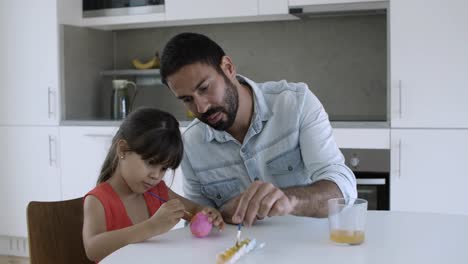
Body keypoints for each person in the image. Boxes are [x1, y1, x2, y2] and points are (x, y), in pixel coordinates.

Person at [160, 32, 357, 227]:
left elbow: (343, 188)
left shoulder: (296, 104)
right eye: (187, 100)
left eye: (204, 88)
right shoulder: (191, 144)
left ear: (228, 68)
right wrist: (221, 214)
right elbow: (201, 224)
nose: (201, 107)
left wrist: (291, 201)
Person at [82, 108, 225, 262]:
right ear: (123, 150)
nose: (156, 176)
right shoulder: (98, 200)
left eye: (164, 168)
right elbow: (93, 249)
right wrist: (151, 227)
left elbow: (194, 210)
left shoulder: (158, 191)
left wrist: (208, 214)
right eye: (150, 163)